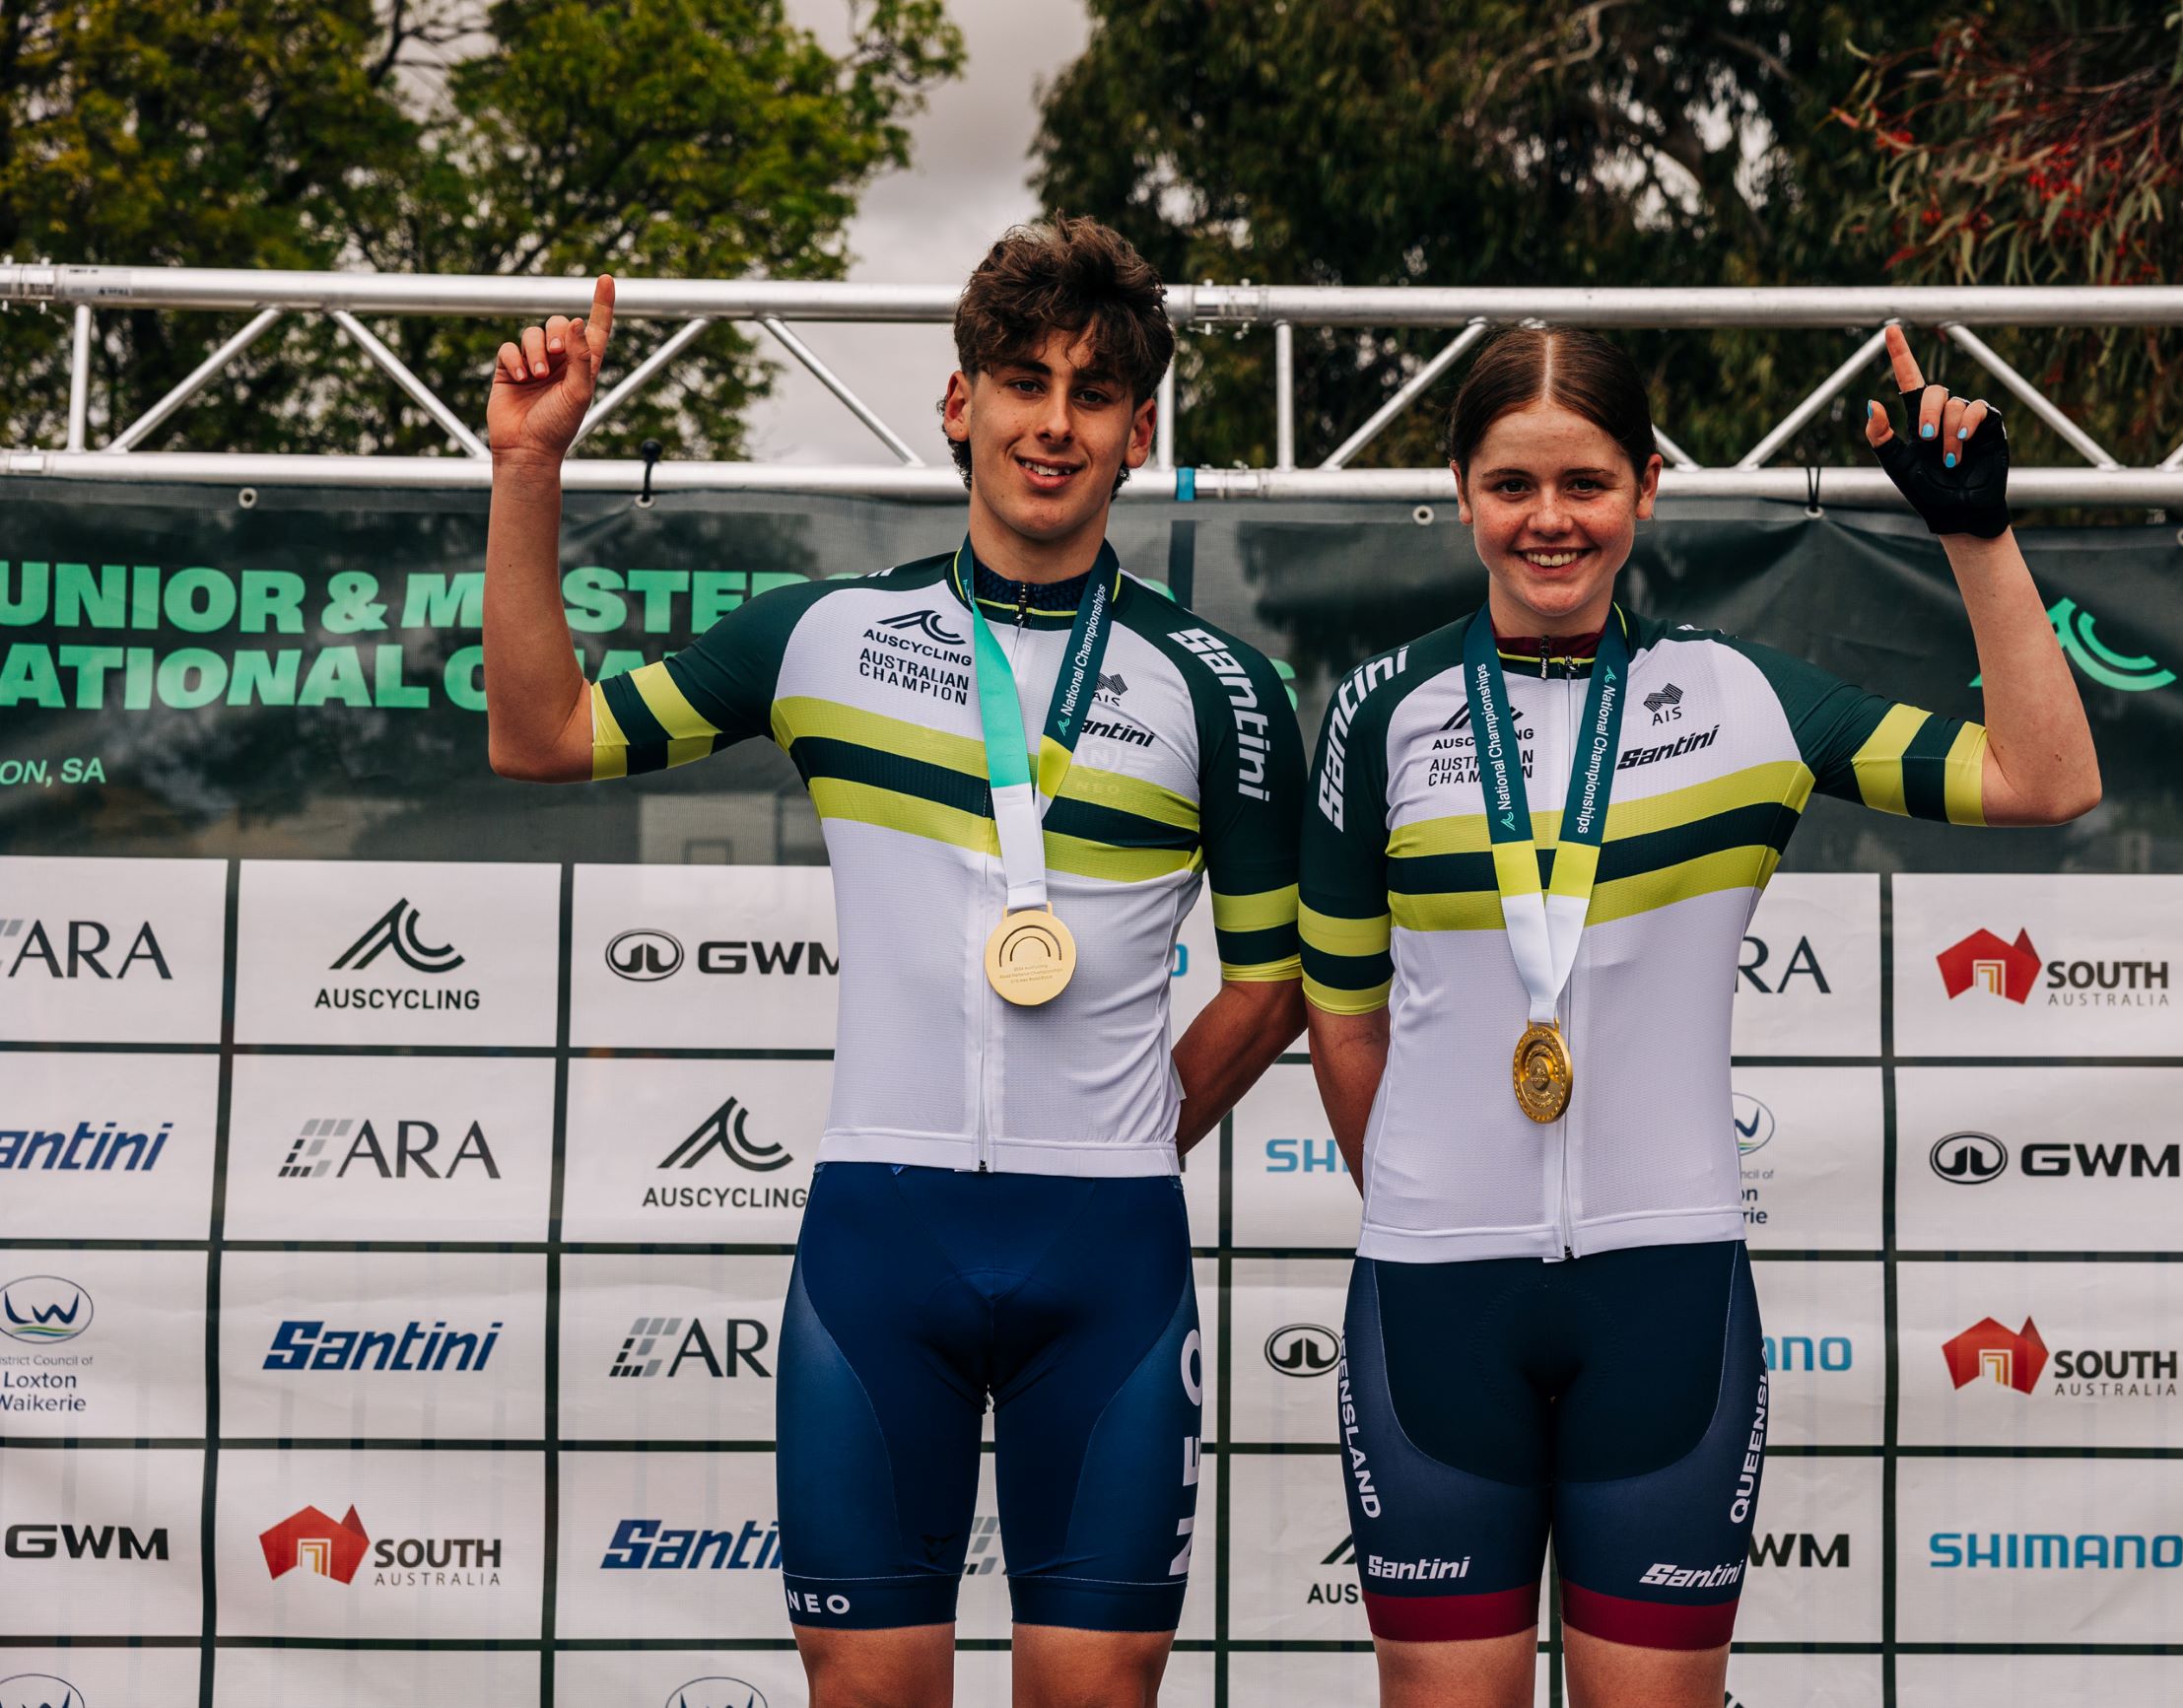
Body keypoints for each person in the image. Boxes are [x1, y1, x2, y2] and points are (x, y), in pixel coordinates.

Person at [480, 220, 1307, 1708]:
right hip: (882, 1247)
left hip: (1107, 1263)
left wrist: (1133, 1129)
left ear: (1141, 431)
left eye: (1096, 392)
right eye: (1022, 380)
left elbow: (1274, 976)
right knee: (862, 1691)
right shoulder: (826, 638)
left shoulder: (1222, 685)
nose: (1054, 422)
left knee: (1096, 1691)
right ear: (958, 403)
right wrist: (530, 469)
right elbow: (539, 735)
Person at [1298, 323, 2100, 1708]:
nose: (1550, 520)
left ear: (1649, 487)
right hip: (1433, 1299)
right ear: (1461, 487)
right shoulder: (1382, 711)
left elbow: (2047, 777)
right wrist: (1429, 1198)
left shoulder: (1746, 704)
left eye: (1588, 483)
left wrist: (1977, 534)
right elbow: (1342, 1017)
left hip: (1664, 1298)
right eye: (1513, 485)